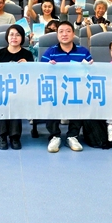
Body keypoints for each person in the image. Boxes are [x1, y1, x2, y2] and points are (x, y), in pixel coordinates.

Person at [40, 21, 93, 153]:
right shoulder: (50, 52)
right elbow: (41, 71)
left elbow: (91, 72)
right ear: (57, 35)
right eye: (61, 31)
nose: (64, 34)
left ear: (73, 34)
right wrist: (48, 67)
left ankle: (72, 136)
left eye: (68, 31)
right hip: (56, 89)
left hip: (77, 89)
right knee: (50, 98)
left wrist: (90, 67)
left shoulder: (83, 52)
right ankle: (55, 136)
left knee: (81, 98)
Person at [0, 24, 33, 150]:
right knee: (3, 100)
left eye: (18, 35)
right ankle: (2, 136)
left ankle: (15, 137)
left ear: (22, 38)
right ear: (7, 37)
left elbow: (32, 76)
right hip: (2, 89)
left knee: (15, 100)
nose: (14, 37)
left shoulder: (27, 55)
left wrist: (28, 66)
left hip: (21, 89)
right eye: (11, 34)